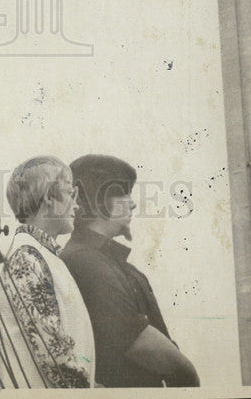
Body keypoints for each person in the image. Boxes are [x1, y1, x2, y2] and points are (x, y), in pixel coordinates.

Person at [60, 154, 200, 388]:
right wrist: (188, 377)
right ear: (99, 199)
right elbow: (144, 346)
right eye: (123, 193)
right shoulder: (85, 261)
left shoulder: (105, 261)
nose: (133, 203)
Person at [0, 156, 96, 388]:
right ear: (49, 197)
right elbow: (53, 355)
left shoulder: (43, 255)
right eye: (71, 193)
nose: (77, 205)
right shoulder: (27, 256)